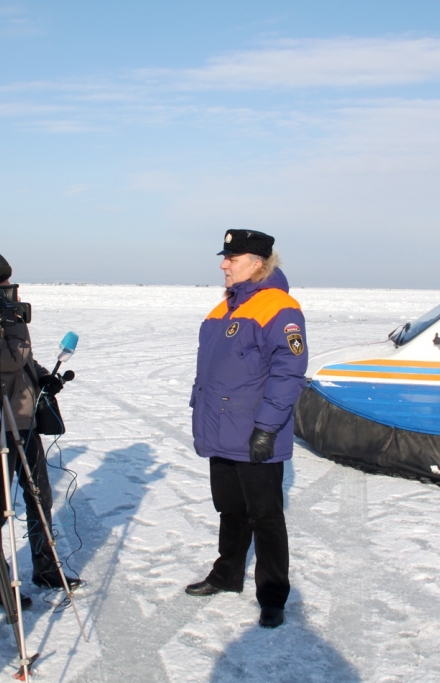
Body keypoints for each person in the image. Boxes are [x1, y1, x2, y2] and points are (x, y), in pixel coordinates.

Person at [185, 229, 308, 629]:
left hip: (254, 431)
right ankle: (226, 574)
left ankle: (273, 596)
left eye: (232, 258)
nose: (223, 264)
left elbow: (289, 372)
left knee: (266, 515)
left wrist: (267, 429)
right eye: (225, 257)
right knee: (230, 508)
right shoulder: (224, 307)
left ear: (256, 263)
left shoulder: (279, 307)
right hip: (220, 428)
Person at [0, 251, 81, 604]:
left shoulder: (3, 311)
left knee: (39, 496)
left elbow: (23, 356)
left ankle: (45, 568)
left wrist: (43, 375)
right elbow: (6, 358)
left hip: (24, 415)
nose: (8, 289)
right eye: (1, 282)